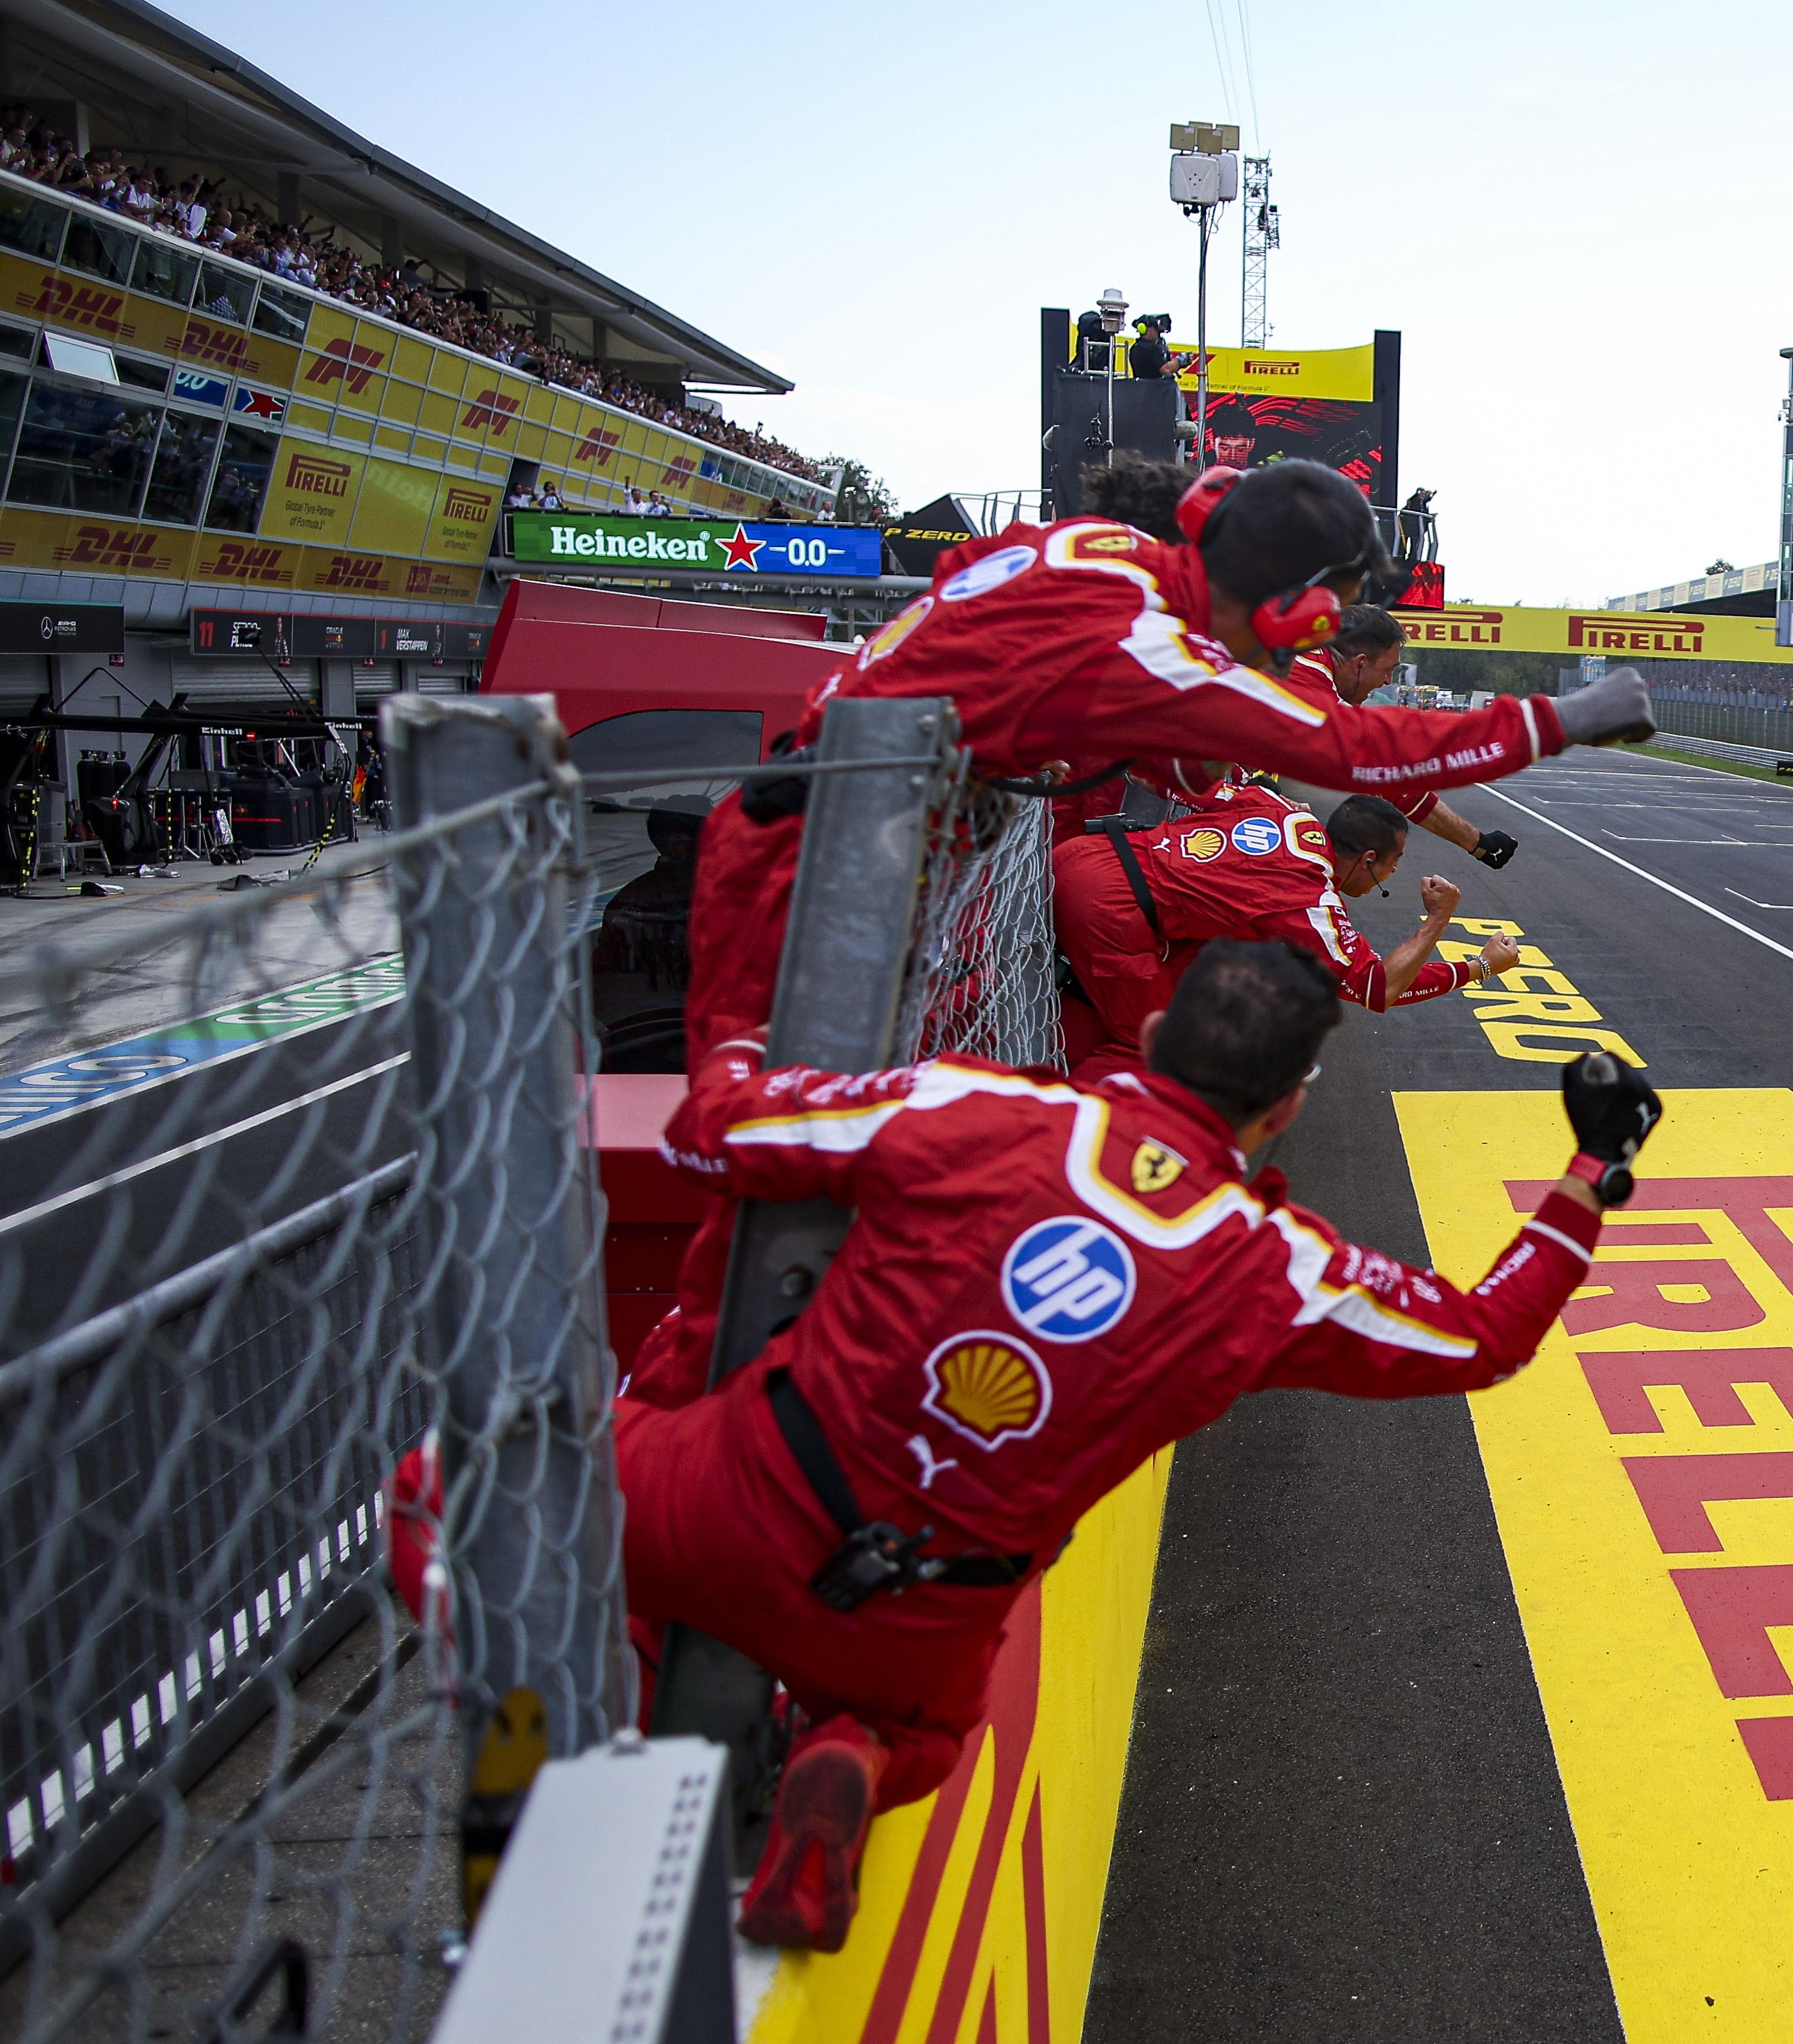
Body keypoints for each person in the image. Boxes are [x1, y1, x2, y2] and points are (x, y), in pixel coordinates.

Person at [618, 942, 1665, 1948]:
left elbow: (712, 1134)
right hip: (918, 1606)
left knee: (516, 1486)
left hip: (736, 1484)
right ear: (1284, 1109)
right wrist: (1591, 1169)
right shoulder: (1274, 1270)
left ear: (1157, 1030)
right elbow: (1483, 1336)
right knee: (927, 1736)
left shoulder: (978, 1105)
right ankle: (853, 1747)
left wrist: (738, 1046)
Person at [629, 460, 1650, 1405]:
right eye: (1298, 638)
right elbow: (1352, 755)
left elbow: (977, 604)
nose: (1284, 659)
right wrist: (1567, 719)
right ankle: (682, 1401)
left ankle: (692, 1405)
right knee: (750, 1173)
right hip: (830, 877)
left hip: (849, 838)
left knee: (787, 1139)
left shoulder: (1095, 554)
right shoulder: (1164, 657)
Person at [1049, 783, 1526, 1071]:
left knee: (1195, 980)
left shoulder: (1277, 804)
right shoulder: (1310, 902)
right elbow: (1378, 988)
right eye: (1395, 863)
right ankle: (1067, 1161)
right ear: (1368, 860)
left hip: (1086, 854)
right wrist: (1459, 943)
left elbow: (1192, 786)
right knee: (1154, 1052)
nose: (1397, 873)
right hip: (1110, 912)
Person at [1285, 604, 1517, 868]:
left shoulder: (1306, 660)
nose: (1387, 681)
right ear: (1361, 663)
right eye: (1388, 670)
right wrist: (1479, 844)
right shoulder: (1311, 682)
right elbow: (1392, 775)